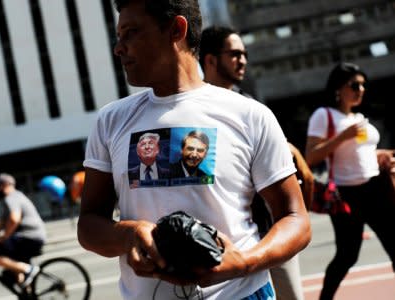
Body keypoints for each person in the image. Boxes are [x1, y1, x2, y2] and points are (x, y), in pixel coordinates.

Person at [78, 1, 311, 299]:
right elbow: (88, 224)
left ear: (176, 29)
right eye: (118, 36)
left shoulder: (250, 114)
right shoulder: (111, 120)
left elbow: (296, 219)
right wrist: (128, 234)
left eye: (130, 33)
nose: (118, 48)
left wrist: (244, 262)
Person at [200, 25, 312, 300]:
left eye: (244, 54)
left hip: (268, 231)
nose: (243, 60)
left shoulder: (249, 106)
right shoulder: (196, 110)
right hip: (226, 241)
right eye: (235, 54)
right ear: (210, 60)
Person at [305, 62, 395, 300]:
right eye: (355, 85)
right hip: (346, 195)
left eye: (363, 85)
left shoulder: (359, 117)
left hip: (375, 188)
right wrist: (343, 136)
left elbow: (362, 153)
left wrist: (382, 156)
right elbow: (311, 157)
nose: (361, 89)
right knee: (347, 255)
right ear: (338, 88)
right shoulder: (323, 115)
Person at [0, 173, 46, 288]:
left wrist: (5, 237)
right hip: (33, 236)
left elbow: (14, 219)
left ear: (6, 185)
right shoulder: (14, 198)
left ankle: (28, 269)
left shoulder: (11, 197)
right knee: (13, 272)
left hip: (29, 236)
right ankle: (27, 289)